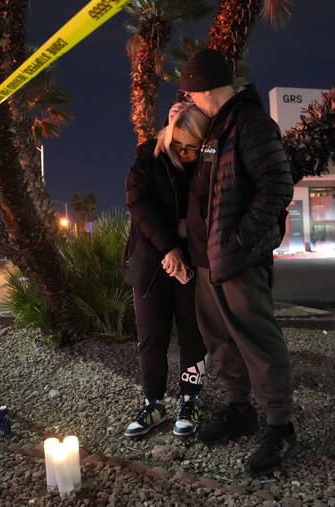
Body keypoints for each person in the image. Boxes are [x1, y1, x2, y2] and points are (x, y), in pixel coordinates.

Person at [179, 48, 297, 475]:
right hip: (208, 260)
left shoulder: (251, 124)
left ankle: (279, 427)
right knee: (222, 342)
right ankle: (238, 410)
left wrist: (241, 239)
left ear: (205, 88)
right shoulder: (216, 128)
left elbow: (278, 186)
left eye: (190, 93)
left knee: (259, 342)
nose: (188, 99)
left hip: (238, 259)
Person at [121, 102, 210, 438]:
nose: (185, 153)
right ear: (168, 133)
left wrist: (184, 248)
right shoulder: (149, 156)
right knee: (150, 338)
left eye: (192, 147)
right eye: (178, 145)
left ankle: (190, 400)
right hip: (151, 262)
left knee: (193, 334)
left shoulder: (205, 164)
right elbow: (139, 203)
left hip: (191, 264)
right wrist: (169, 247)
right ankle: (153, 403)